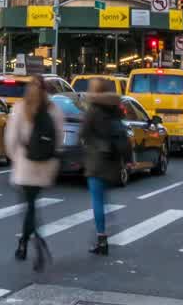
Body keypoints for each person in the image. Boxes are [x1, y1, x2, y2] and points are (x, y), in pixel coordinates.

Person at [4, 78, 64, 271]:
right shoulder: (54, 109)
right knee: (32, 205)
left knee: (29, 207)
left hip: (25, 164)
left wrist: (16, 158)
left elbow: (11, 138)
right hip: (45, 165)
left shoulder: (21, 108)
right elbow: (60, 137)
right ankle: (25, 241)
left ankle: (34, 241)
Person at [80, 78, 125, 256]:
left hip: (96, 159)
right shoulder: (115, 109)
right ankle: (107, 224)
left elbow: (83, 133)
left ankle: (102, 238)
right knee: (103, 197)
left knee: (97, 199)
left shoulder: (93, 110)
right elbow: (122, 134)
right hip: (112, 160)